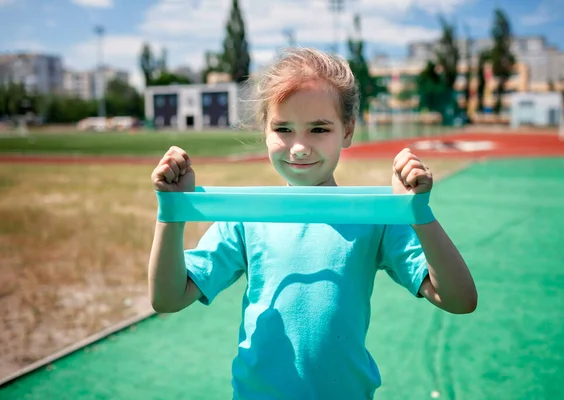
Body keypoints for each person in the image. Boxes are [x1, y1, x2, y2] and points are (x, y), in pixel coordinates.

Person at [148, 48, 477, 399]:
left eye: (319, 128)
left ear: (347, 131)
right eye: (283, 129)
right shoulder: (249, 216)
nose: (300, 147)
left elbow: (459, 299)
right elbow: (168, 298)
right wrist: (172, 211)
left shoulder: (371, 218)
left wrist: (417, 214)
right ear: (265, 130)